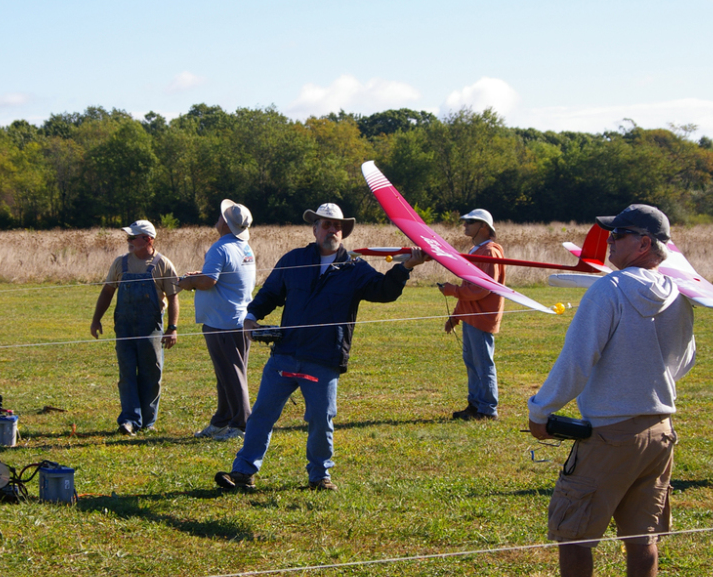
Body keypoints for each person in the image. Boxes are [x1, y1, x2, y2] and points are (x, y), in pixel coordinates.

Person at [527, 204, 696, 577]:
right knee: (643, 539)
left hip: (609, 434)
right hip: (660, 432)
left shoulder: (609, 288)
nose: (609, 241)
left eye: (618, 234)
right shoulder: (680, 293)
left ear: (644, 243)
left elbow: (577, 359)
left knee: (575, 535)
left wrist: (540, 411)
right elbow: (684, 361)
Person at [214, 203, 427, 491]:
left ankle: (319, 476)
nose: (332, 230)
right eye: (326, 225)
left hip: (323, 359)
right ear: (315, 229)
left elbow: (384, 291)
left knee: (320, 420)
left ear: (343, 232)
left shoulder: (355, 268)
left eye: (337, 226)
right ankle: (242, 472)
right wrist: (251, 317)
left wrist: (405, 267)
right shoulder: (294, 260)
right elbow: (270, 293)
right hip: (285, 355)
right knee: (262, 413)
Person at [91, 220, 180, 435]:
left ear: (148, 239)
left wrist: (172, 328)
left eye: (133, 237)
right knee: (127, 373)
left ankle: (148, 421)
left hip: (152, 328)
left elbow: (173, 297)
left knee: (151, 373)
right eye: (128, 237)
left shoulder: (163, 264)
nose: (128, 241)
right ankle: (129, 420)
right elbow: (107, 292)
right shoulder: (120, 264)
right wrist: (96, 319)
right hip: (124, 328)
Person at [177, 200, 256, 442]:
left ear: (225, 223)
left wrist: (187, 282)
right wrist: (198, 278)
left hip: (223, 322)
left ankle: (242, 424)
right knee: (227, 374)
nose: (218, 218)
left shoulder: (220, 248)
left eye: (221, 216)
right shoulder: (244, 247)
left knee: (231, 374)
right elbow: (218, 278)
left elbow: (209, 281)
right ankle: (222, 420)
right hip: (238, 319)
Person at [438, 208, 505, 421]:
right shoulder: (477, 250)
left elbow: (482, 289)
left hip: (481, 318)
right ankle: (475, 405)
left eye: (470, 221)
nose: (465, 224)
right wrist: (456, 317)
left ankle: (487, 409)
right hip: (470, 317)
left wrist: (452, 290)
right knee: (472, 362)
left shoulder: (489, 252)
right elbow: (470, 285)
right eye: (465, 221)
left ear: (484, 227)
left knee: (483, 363)